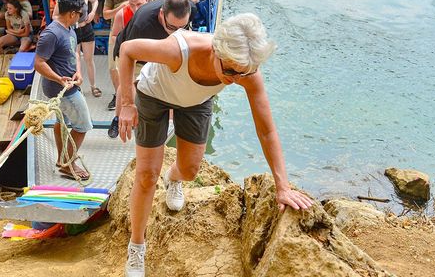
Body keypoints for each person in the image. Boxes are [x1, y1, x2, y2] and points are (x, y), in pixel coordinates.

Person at [117, 14, 312, 276]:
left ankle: (172, 179)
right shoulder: (180, 50)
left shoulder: (246, 72)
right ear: (215, 51)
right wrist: (128, 104)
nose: (234, 79)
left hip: (197, 101)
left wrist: (283, 187)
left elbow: (266, 131)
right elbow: (127, 50)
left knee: (189, 171)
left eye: (243, 72)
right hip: (154, 95)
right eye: (229, 71)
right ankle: (137, 246)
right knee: (146, 175)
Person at [107, 0, 193, 138]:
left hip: (163, 48)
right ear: (161, 14)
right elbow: (127, 56)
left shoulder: (190, 9)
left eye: (181, 27)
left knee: (170, 81)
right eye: (172, 27)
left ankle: (170, 121)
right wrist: (128, 104)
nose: (177, 32)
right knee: (127, 83)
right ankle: (117, 119)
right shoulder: (142, 24)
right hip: (132, 52)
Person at [34, 0, 93, 180]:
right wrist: (59, 79)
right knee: (82, 125)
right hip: (63, 89)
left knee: (62, 121)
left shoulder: (69, 29)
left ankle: (62, 159)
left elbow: (74, 52)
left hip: (68, 83)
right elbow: (39, 63)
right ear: (72, 13)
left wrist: (79, 72)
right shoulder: (51, 34)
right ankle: (68, 164)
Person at [102, 0, 153, 111]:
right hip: (118, 33)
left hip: (139, 33)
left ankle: (135, 97)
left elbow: (152, 10)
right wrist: (121, 8)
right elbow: (105, 14)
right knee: (114, 67)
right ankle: (121, 95)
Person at [52, 0, 101, 97]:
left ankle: (93, 86)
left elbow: (95, 1)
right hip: (72, 30)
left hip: (86, 28)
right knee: (75, 59)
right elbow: (55, 16)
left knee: (89, 59)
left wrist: (92, 13)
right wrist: (69, 23)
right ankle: (77, 86)